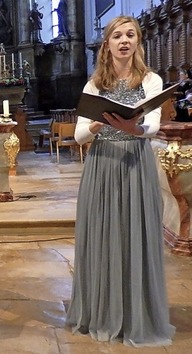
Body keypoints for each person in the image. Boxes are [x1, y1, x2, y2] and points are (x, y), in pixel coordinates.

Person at [66, 16, 175, 347]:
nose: (124, 40)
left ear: (137, 43)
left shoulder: (151, 80)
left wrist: (135, 129)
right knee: (103, 235)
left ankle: (136, 314)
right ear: (107, 44)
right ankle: (102, 311)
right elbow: (79, 135)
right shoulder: (94, 85)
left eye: (130, 35)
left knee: (135, 235)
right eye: (117, 35)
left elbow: (153, 124)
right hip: (102, 165)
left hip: (134, 161)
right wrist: (101, 122)